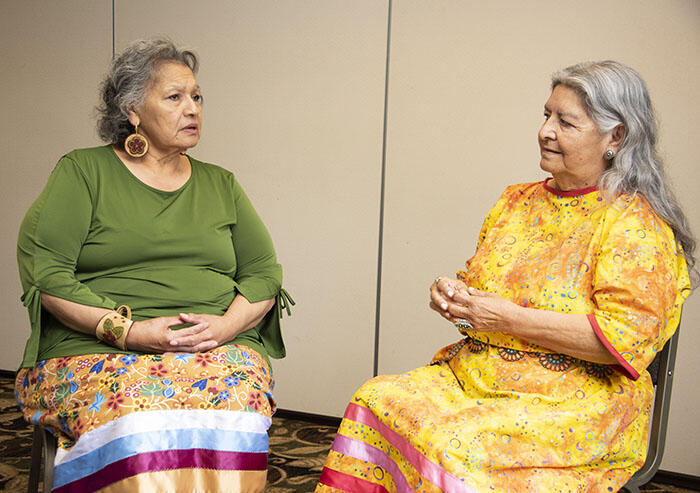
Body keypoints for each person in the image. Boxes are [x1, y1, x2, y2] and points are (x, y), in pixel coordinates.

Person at [316, 61, 695, 492]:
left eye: (566, 122)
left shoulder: (634, 224)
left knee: (455, 447)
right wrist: (457, 300)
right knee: (375, 399)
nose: (546, 131)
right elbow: (481, 300)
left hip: (575, 401)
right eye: (546, 115)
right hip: (477, 376)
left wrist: (507, 319)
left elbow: (623, 341)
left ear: (616, 137)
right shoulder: (516, 201)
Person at [15, 37, 293, 493]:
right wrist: (130, 332)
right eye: (174, 97)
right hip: (97, 347)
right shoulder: (83, 172)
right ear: (132, 110)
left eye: (197, 97)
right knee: (135, 415)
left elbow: (263, 272)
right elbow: (47, 274)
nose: (193, 109)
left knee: (235, 407)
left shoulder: (221, 183)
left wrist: (224, 328)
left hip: (212, 346)